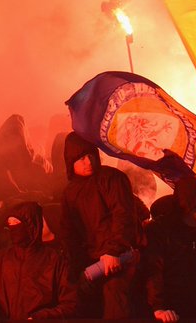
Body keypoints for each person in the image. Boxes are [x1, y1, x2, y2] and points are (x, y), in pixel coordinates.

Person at [59, 132, 140, 318]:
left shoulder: (112, 178)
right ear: (71, 162)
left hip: (117, 259)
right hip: (89, 262)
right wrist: (74, 267)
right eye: (81, 158)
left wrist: (113, 251)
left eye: (90, 155)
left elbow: (123, 215)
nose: (88, 162)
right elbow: (68, 232)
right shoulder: (70, 192)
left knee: (115, 299)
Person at [141, 176, 196, 322]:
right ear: (192, 208)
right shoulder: (159, 233)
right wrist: (159, 307)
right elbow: (153, 271)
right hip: (171, 313)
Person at [0, 201, 78, 320]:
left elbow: (70, 304)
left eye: (17, 222)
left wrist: (41, 317)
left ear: (31, 225)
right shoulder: (0, 260)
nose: (13, 227)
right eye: (10, 223)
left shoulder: (55, 261)